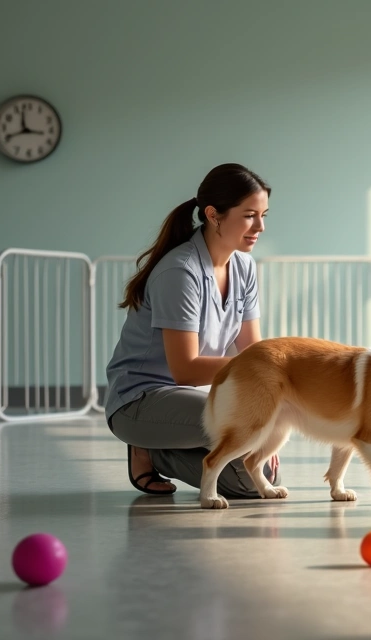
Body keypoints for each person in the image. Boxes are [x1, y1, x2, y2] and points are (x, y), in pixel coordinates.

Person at [104, 163, 279, 496]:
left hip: (190, 398)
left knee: (265, 472)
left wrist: (266, 413)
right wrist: (264, 373)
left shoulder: (243, 265)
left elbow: (252, 350)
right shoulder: (180, 272)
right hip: (140, 400)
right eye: (249, 215)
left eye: (264, 215)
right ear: (213, 215)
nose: (260, 226)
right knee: (251, 482)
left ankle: (171, 444)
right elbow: (185, 369)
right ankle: (151, 450)